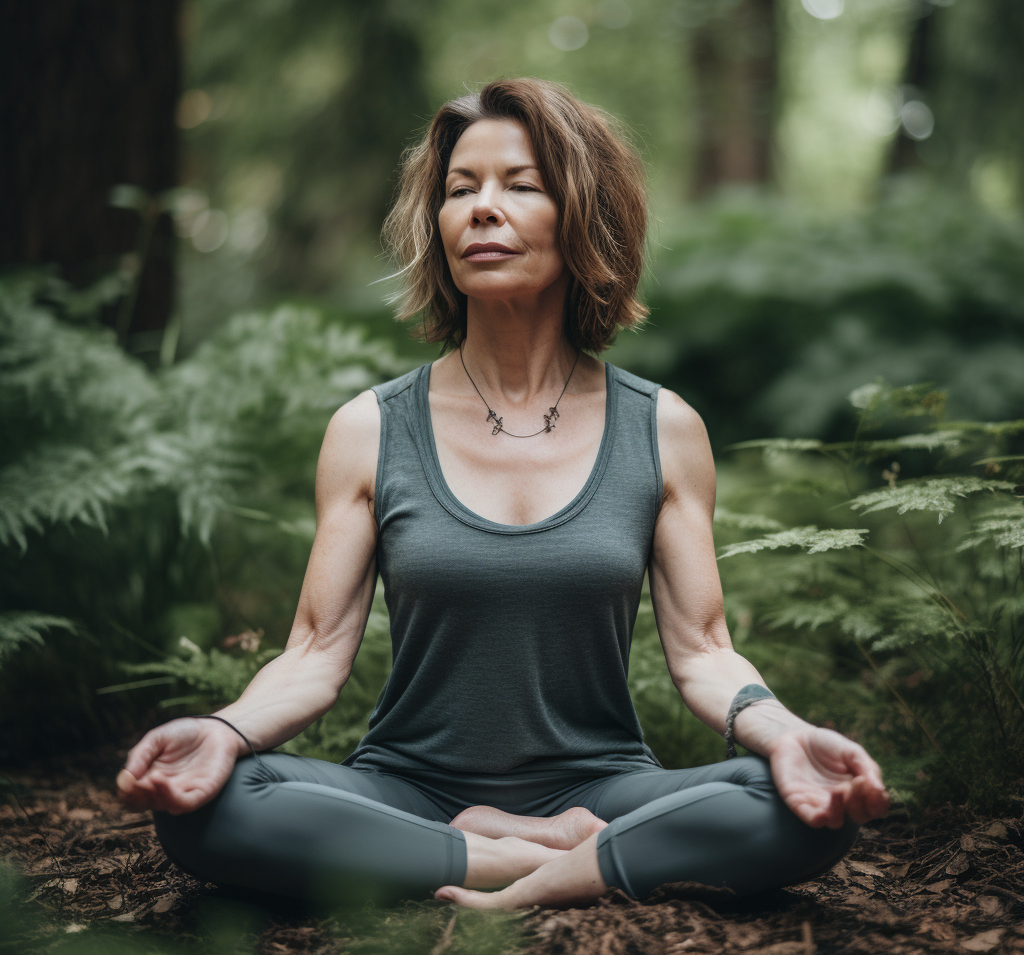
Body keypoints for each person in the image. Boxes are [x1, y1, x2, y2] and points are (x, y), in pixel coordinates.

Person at [116, 78, 889, 912]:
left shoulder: (663, 428)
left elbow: (703, 652)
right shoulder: (369, 428)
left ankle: (531, 860)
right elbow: (313, 652)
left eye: (520, 185)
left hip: (601, 788)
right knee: (211, 803)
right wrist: (223, 731)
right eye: (460, 189)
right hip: (408, 789)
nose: (482, 208)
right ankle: (522, 859)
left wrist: (787, 733)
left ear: (584, 216)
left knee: (806, 805)